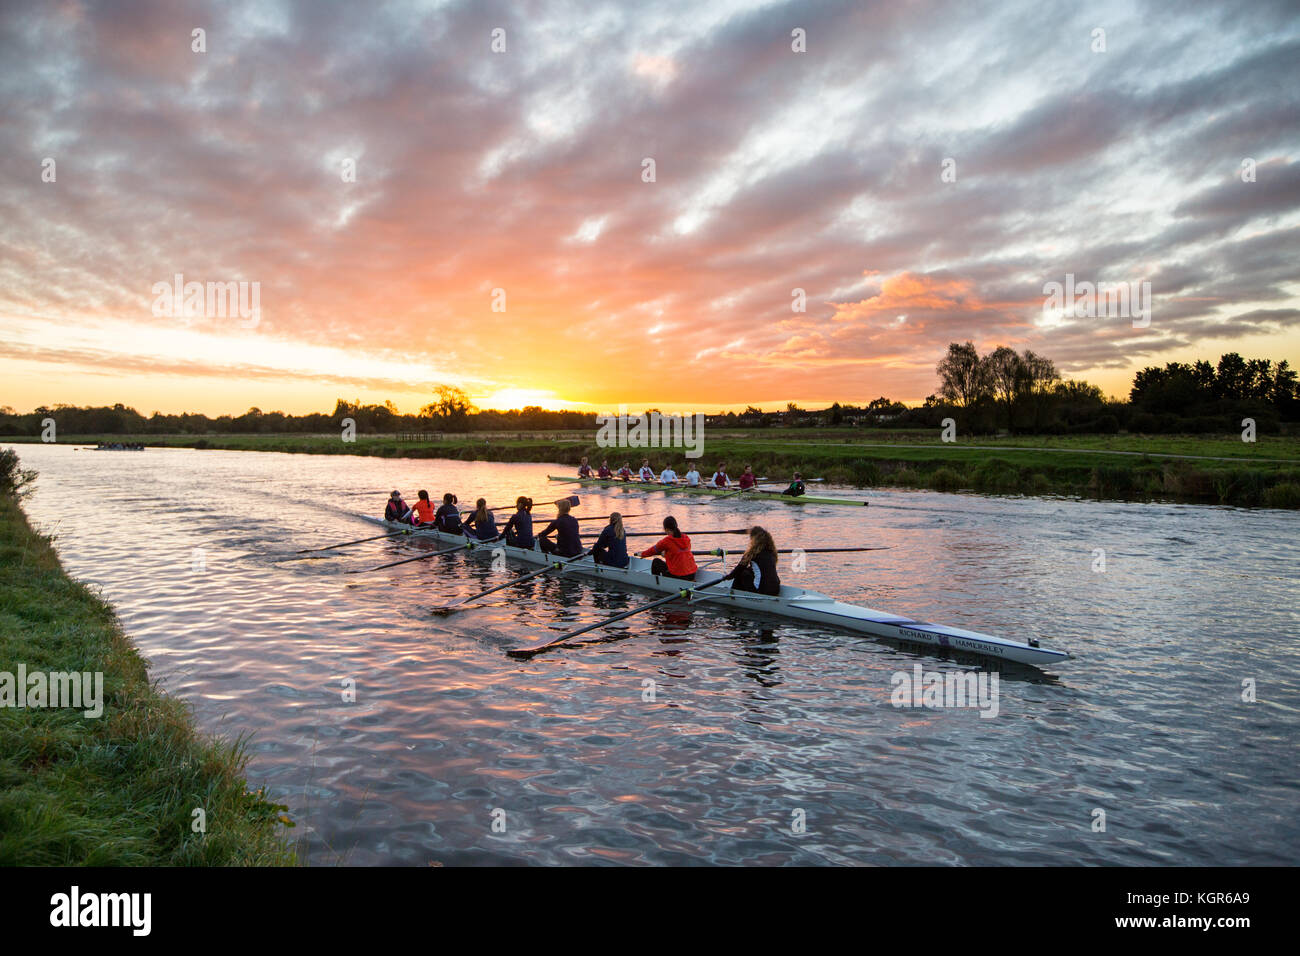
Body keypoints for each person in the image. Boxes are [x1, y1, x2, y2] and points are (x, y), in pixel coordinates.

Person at [720, 526, 781, 595]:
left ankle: (733, 594)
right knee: (749, 570)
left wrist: (727, 577)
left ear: (754, 539)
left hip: (762, 590)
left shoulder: (752, 553)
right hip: (776, 590)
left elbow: (739, 569)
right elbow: (763, 569)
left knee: (742, 573)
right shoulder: (772, 552)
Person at [639, 516, 697, 581]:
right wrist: (666, 554)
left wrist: (642, 554)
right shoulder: (686, 538)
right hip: (692, 574)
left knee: (656, 562)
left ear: (666, 529)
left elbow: (653, 550)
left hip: (679, 576)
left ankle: (656, 582)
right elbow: (679, 553)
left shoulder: (666, 541)